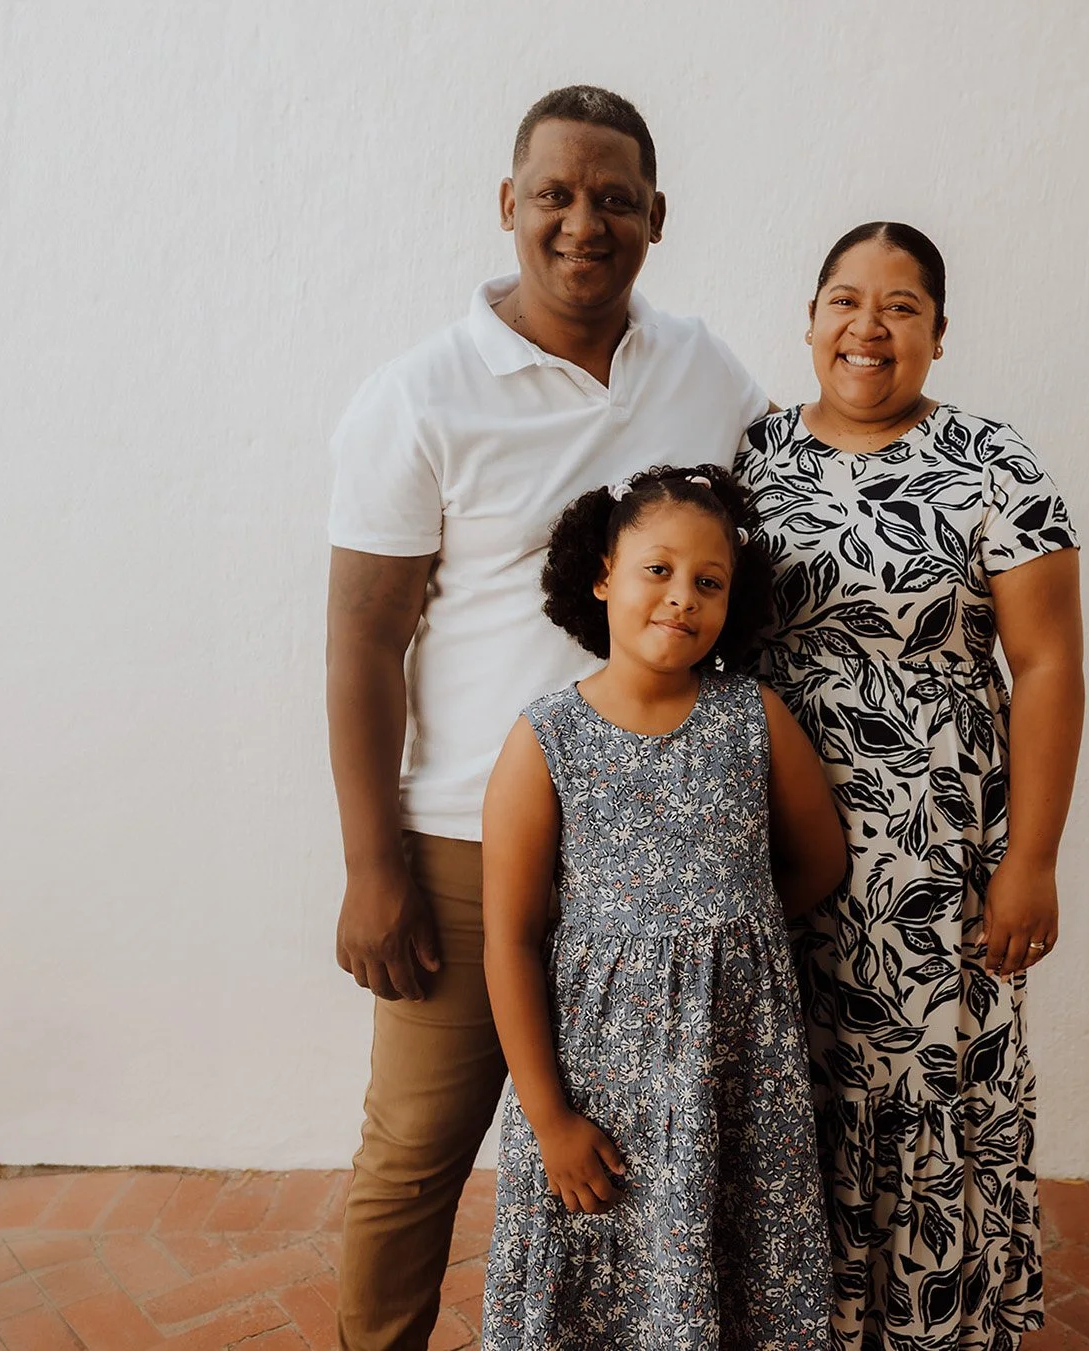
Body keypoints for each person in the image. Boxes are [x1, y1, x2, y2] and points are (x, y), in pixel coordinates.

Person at [324, 87, 766, 1350]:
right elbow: (364, 637)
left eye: (615, 199)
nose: (585, 223)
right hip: (468, 840)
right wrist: (373, 864)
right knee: (414, 1156)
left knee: (642, 1160)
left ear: (657, 218)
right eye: (557, 196)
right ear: (507, 206)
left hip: (656, 853)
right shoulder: (420, 397)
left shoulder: (704, 372)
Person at [733, 222, 1086, 1348]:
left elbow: (1048, 665)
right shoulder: (754, 452)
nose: (868, 327)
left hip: (934, 849)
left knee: (926, 1085)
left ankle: (933, 1323)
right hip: (773, 835)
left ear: (939, 331)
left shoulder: (995, 459)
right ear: (808, 319)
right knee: (796, 1078)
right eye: (844, 300)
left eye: (900, 306)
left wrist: (1030, 858)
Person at [478, 465, 843, 1348]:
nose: (682, 598)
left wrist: (728, 928)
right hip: (599, 1087)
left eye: (708, 583)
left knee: (731, 1270)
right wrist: (549, 1117)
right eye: (658, 570)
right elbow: (512, 941)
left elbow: (819, 860)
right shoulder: (545, 739)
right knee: (604, 1277)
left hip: (734, 1076)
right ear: (602, 573)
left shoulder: (753, 716)